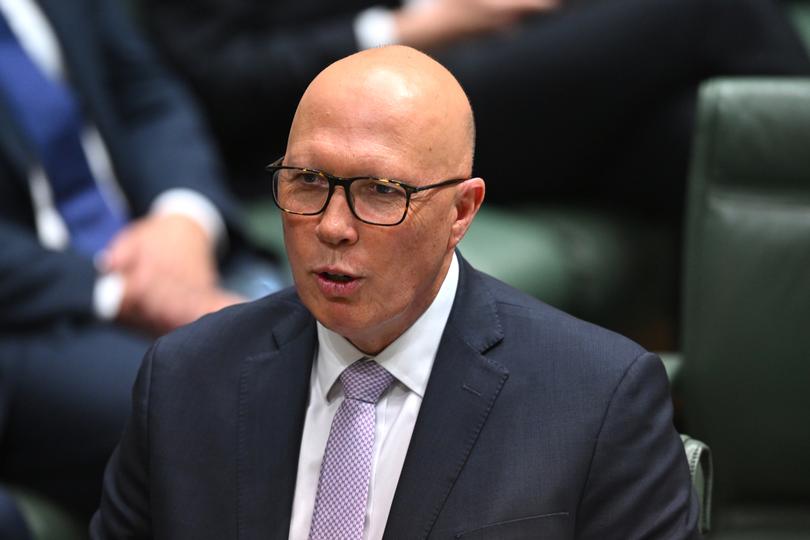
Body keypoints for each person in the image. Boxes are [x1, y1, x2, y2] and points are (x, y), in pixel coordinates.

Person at [91, 46, 699, 539]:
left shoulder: (597, 399)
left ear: (462, 211)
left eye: (381, 191)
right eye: (307, 181)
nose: (332, 225)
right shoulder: (186, 378)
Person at [0, 0, 282, 520]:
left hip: (165, 243)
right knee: (238, 405)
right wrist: (129, 292)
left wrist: (184, 218)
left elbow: (146, 94)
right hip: (34, 316)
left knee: (376, 347)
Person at [142, 0, 810, 211]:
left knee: (696, 138)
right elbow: (216, 82)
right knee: (710, 8)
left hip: (477, 55)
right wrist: (419, 23)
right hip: (371, 108)